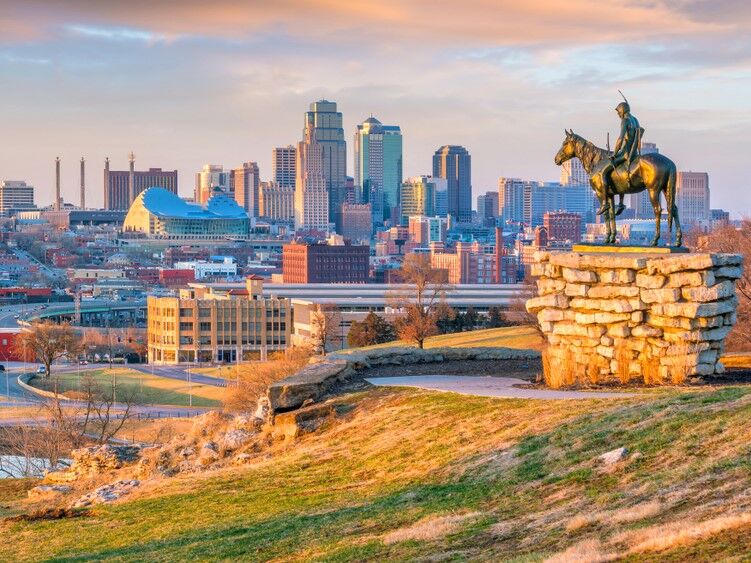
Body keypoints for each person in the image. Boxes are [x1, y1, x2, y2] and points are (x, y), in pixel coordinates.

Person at [596, 100, 643, 216]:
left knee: (603, 173)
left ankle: (604, 203)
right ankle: (621, 203)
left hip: (625, 153)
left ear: (622, 110)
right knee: (619, 174)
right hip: (634, 153)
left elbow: (620, 139)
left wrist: (614, 154)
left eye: (618, 112)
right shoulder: (635, 120)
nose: (618, 115)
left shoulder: (625, 121)